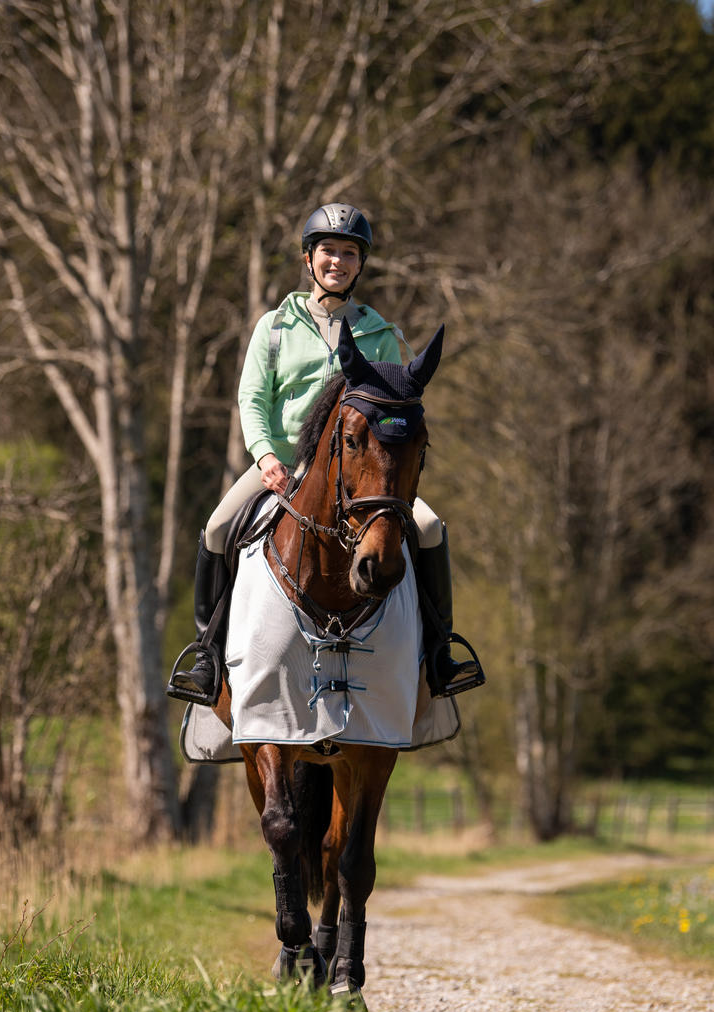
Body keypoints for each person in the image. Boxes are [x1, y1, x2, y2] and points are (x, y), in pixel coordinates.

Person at [168, 202, 483, 705]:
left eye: (349, 254)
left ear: (361, 265)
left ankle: (441, 655)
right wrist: (265, 456)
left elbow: (391, 417)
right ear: (309, 258)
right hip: (284, 466)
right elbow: (252, 399)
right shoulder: (273, 327)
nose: (337, 261)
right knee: (216, 527)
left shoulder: (382, 335)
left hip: (360, 473)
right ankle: (206, 657)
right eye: (329, 251)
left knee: (429, 529)